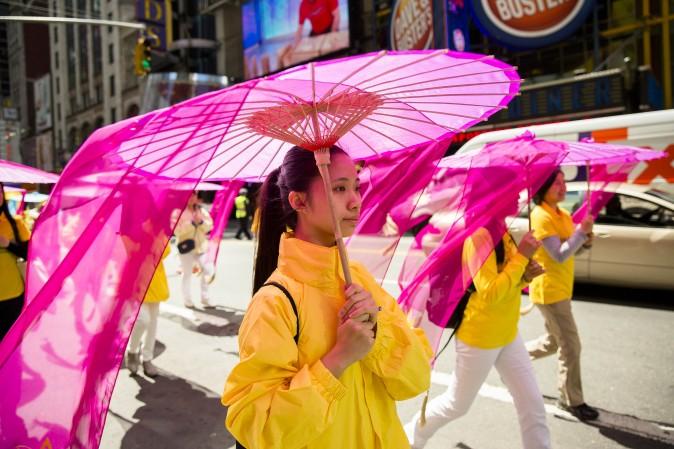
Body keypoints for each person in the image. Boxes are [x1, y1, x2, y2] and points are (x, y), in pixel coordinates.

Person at [221, 146, 432, 449]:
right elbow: (259, 430)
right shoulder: (275, 303)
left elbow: (417, 378)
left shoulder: (359, 279)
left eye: (357, 187)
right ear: (299, 201)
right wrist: (337, 359)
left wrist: (379, 334)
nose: (356, 201)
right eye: (339, 188)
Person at [405, 219, 551, 449]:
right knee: (456, 404)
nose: (517, 195)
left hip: (508, 332)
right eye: (511, 188)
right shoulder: (479, 236)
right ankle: (410, 438)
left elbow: (505, 281)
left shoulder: (502, 229)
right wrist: (522, 256)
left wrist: (525, 275)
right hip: (480, 336)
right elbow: (490, 292)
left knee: (532, 404)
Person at [525, 169, 598, 421]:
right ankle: (571, 400)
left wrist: (585, 240)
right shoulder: (540, 216)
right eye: (557, 183)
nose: (563, 187)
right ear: (543, 188)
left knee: (554, 342)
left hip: (562, 288)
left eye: (563, 182)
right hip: (549, 290)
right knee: (571, 345)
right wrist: (581, 232)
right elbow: (558, 255)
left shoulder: (563, 214)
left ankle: (511, 358)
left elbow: (571, 250)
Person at [126, 242, 171, 378]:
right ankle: (132, 351)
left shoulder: (159, 229)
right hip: (135, 281)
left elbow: (165, 251)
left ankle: (147, 358)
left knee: (152, 324)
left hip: (154, 280)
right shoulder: (129, 228)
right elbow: (127, 252)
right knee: (143, 320)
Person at [0, 182, 31, 341]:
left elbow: (30, 254)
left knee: (11, 343)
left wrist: (8, 245)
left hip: (14, 293)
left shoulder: (16, 222)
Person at [175, 192, 215, 308]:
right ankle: (187, 300)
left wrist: (201, 222)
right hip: (186, 247)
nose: (192, 198)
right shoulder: (178, 212)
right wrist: (191, 223)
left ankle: (205, 298)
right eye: (189, 195)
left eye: (194, 195)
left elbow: (210, 226)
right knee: (187, 274)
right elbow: (176, 230)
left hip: (201, 246)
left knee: (208, 270)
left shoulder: (201, 211)